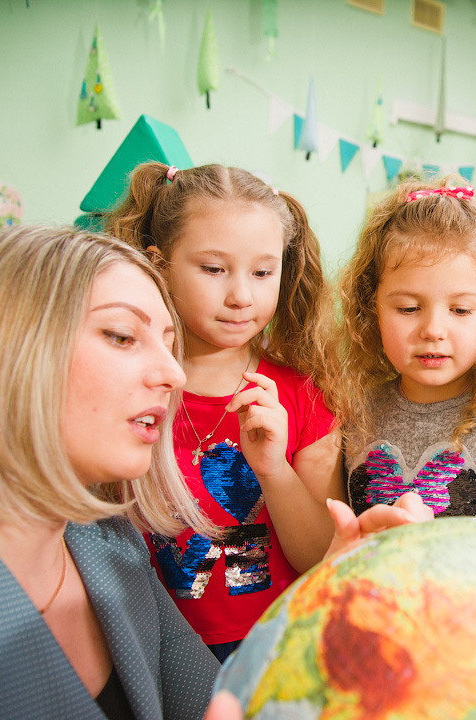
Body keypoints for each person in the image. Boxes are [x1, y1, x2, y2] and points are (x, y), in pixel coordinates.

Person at [0, 224, 221, 719]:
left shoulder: (108, 543)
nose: (175, 374)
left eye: (167, 343)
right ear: (5, 348)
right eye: (122, 335)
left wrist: (344, 593)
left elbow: (227, 704)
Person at [106, 162, 344, 662]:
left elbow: (321, 556)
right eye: (213, 269)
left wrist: (274, 469)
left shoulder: (304, 392)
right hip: (146, 645)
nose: (241, 296)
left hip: (270, 650)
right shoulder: (123, 382)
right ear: (159, 262)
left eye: (262, 272)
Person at [329, 177, 476, 538]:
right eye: (409, 308)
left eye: (460, 310)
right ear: (371, 308)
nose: (434, 330)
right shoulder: (355, 410)